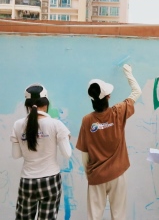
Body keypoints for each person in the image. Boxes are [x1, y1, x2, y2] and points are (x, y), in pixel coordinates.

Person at [76, 64, 142, 220]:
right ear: (108, 97)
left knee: (94, 216)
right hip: (117, 174)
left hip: (96, 176)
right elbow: (137, 92)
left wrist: (89, 174)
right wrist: (128, 72)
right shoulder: (118, 111)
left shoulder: (87, 120)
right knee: (119, 215)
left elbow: (84, 153)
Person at [10, 84, 71, 219]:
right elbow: (67, 154)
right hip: (51, 180)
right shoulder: (56, 124)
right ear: (46, 103)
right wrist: (65, 138)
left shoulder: (18, 125)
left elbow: (16, 155)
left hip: (27, 181)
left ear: (27, 104)